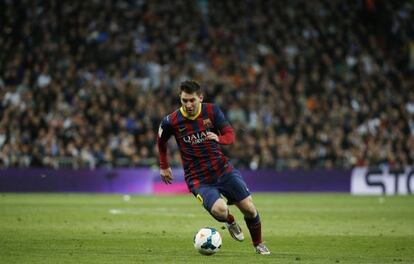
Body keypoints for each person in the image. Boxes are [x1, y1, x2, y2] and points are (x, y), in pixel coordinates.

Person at [157, 80, 271, 255]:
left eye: (192, 100)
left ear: (200, 98)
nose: (188, 104)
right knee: (220, 211)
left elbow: (230, 134)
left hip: (223, 170)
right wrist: (164, 166)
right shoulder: (171, 121)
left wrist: (220, 139)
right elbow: (161, 141)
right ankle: (230, 221)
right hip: (198, 178)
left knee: (249, 208)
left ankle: (258, 244)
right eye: (184, 100)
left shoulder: (212, 111)